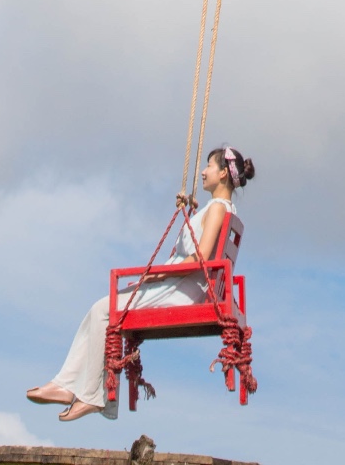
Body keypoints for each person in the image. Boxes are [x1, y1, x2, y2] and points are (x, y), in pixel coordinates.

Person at [26, 146, 255, 422]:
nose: (203, 172)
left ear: (223, 174)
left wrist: (157, 274)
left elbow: (201, 257)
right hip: (186, 286)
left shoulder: (217, 208)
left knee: (104, 310)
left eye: (209, 166)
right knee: (101, 310)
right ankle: (71, 387)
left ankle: (90, 395)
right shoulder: (219, 208)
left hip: (181, 289)